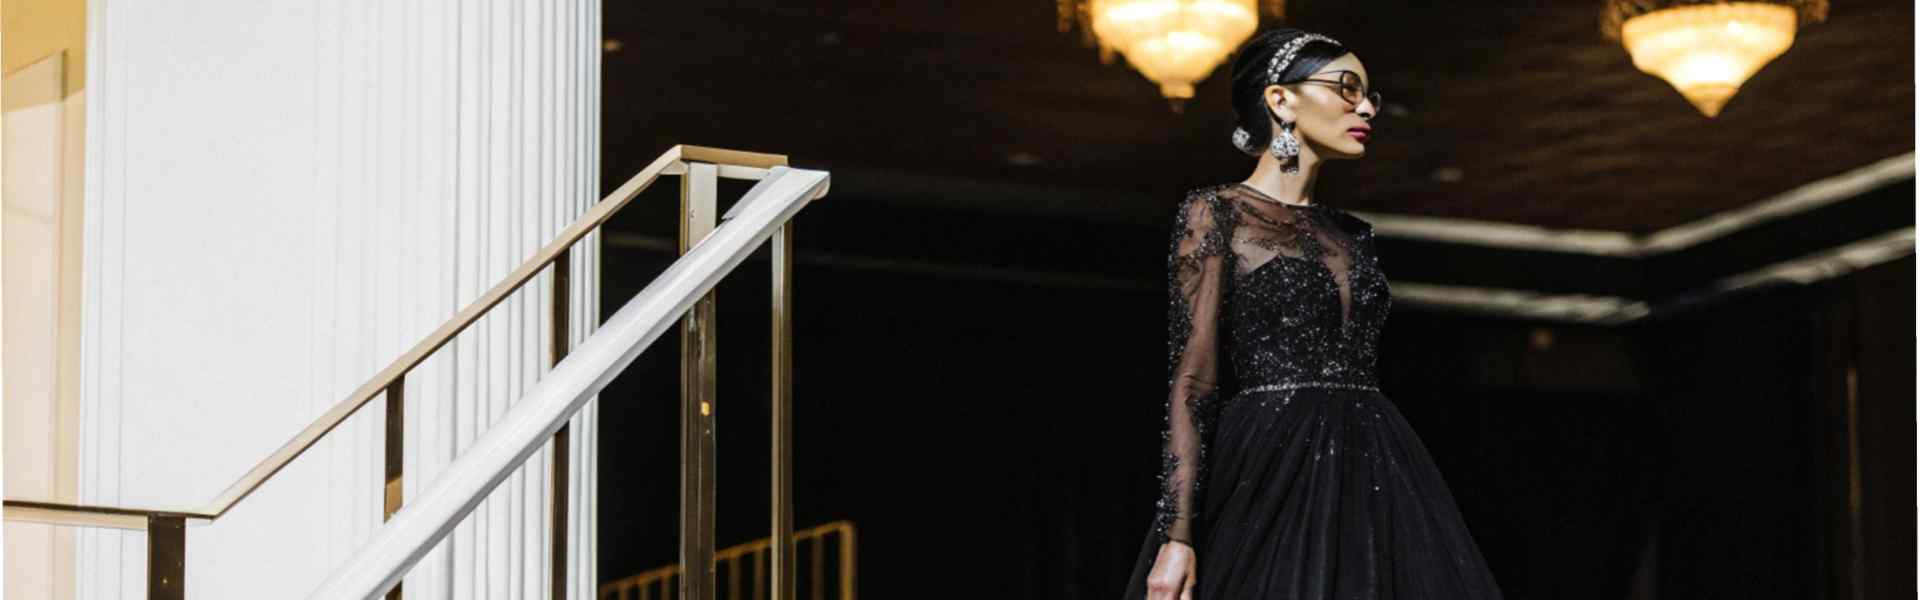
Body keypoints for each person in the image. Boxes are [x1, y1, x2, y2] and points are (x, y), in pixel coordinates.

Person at [1124, 28, 1505, 600]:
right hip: (1268, 466)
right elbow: (1195, 380)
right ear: (1280, 100)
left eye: (1371, 94)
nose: (1368, 107)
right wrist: (1176, 536)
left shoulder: (1354, 235)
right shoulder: (1217, 213)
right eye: (1348, 88)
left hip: (1377, 464)